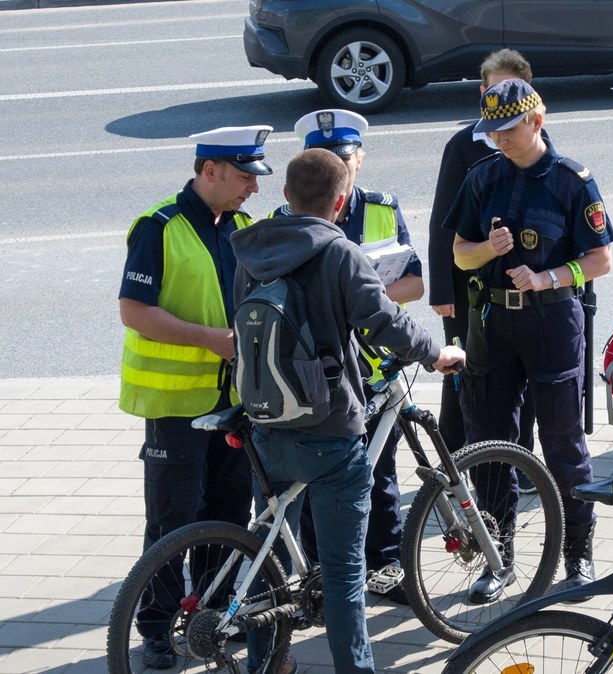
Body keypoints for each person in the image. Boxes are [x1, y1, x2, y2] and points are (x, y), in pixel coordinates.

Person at [231, 148, 465, 673]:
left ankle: (266, 661)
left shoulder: (250, 251)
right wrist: (435, 353)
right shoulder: (339, 253)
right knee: (342, 575)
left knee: (267, 556)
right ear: (341, 201)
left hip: (266, 424)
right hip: (328, 430)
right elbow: (382, 321)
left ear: (286, 196)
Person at [443, 78, 613, 602]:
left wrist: (549, 277)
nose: (498, 140)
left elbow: (601, 260)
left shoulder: (572, 181)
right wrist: (487, 250)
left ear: (536, 122)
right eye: (491, 131)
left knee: (562, 440)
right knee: (493, 442)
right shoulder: (481, 177)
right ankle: (501, 559)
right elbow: (459, 254)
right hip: (493, 322)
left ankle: (578, 554)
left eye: (508, 130)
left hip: (552, 321)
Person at [118, 124, 272, 670]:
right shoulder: (159, 227)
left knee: (227, 515)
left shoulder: (243, 226)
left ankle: (211, 617)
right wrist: (210, 340)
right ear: (210, 171)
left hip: (234, 404)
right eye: (244, 176)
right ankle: (156, 630)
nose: (253, 188)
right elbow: (134, 311)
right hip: (176, 408)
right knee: (172, 524)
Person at [279, 108, 423, 604]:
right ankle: (324, 570)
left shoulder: (383, 207)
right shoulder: (290, 218)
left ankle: (384, 564)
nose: (343, 163)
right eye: (330, 156)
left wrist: (368, 294)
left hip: (376, 363)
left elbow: (416, 282)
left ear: (359, 158)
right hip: (320, 367)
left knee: (380, 471)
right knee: (328, 473)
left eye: (348, 155)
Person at [427, 48, 540, 465]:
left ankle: (520, 458)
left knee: (519, 377)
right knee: (462, 372)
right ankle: (454, 457)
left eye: (511, 92)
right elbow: (443, 220)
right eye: (492, 91)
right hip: (467, 284)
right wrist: (441, 287)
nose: (500, 103)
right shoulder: (464, 144)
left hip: (518, 286)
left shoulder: (535, 141)